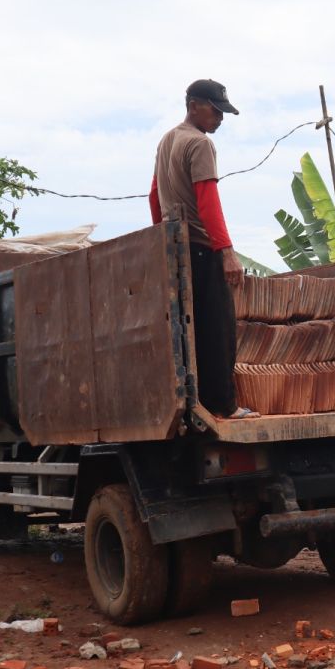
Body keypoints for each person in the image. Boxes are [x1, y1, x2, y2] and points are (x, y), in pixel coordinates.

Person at [149, 78, 257, 419]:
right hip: (201, 247)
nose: (220, 119)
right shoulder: (199, 144)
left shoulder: (168, 140)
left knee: (189, 330)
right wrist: (225, 251)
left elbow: (155, 195)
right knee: (219, 329)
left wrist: (160, 241)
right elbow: (208, 202)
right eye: (216, 110)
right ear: (193, 105)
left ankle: (195, 404)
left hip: (177, 249)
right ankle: (224, 405)